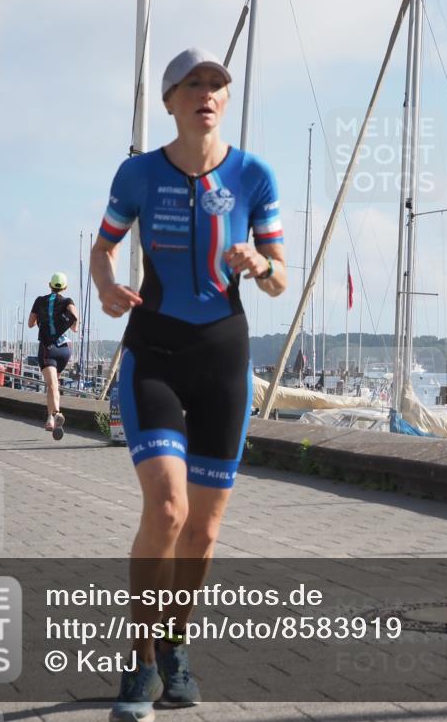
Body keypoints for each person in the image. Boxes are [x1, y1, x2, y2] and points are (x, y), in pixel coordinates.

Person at [90, 46, 286, 722]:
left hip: (223, 356)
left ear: (225, 100)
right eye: (193, 83)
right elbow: (104, 247)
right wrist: (106, 287)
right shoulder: (139, 173)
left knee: (202, 531)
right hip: (155, 352)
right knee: (168, 510)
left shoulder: (253, 174)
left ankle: (176, 645)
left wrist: (260, 263)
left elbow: (281, 277)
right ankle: (141, 660)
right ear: (171, 100)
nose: (207, 92)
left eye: (216, 84)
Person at [28, 272, 79, 440]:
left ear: (49, 285)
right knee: (53, 385)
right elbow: (75, 322)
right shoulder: (68, 301)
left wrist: (42, 320)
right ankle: (50, 419)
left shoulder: (40, 301)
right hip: (64, 350)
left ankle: (56, 414)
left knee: (52, 385)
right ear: (65, 287)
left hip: (48, 349)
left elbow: (30, 323)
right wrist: (68, 324)